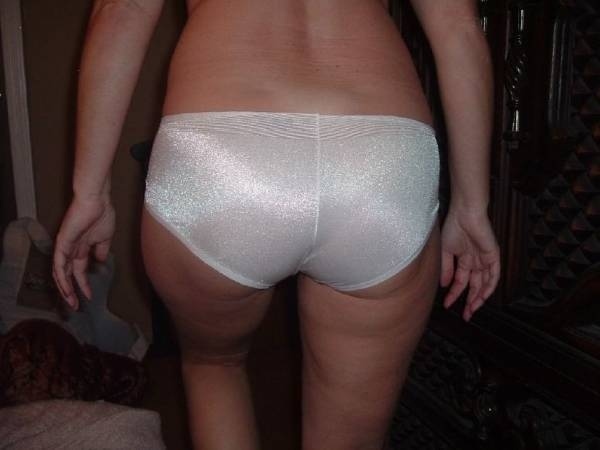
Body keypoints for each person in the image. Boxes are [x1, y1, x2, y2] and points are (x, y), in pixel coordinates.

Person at [52, 0, 501, 448]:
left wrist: (90, 193)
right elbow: (457, 25)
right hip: (380, 158)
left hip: (221, 154)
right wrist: (471, 205)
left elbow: (123, 10)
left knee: (214, 365)